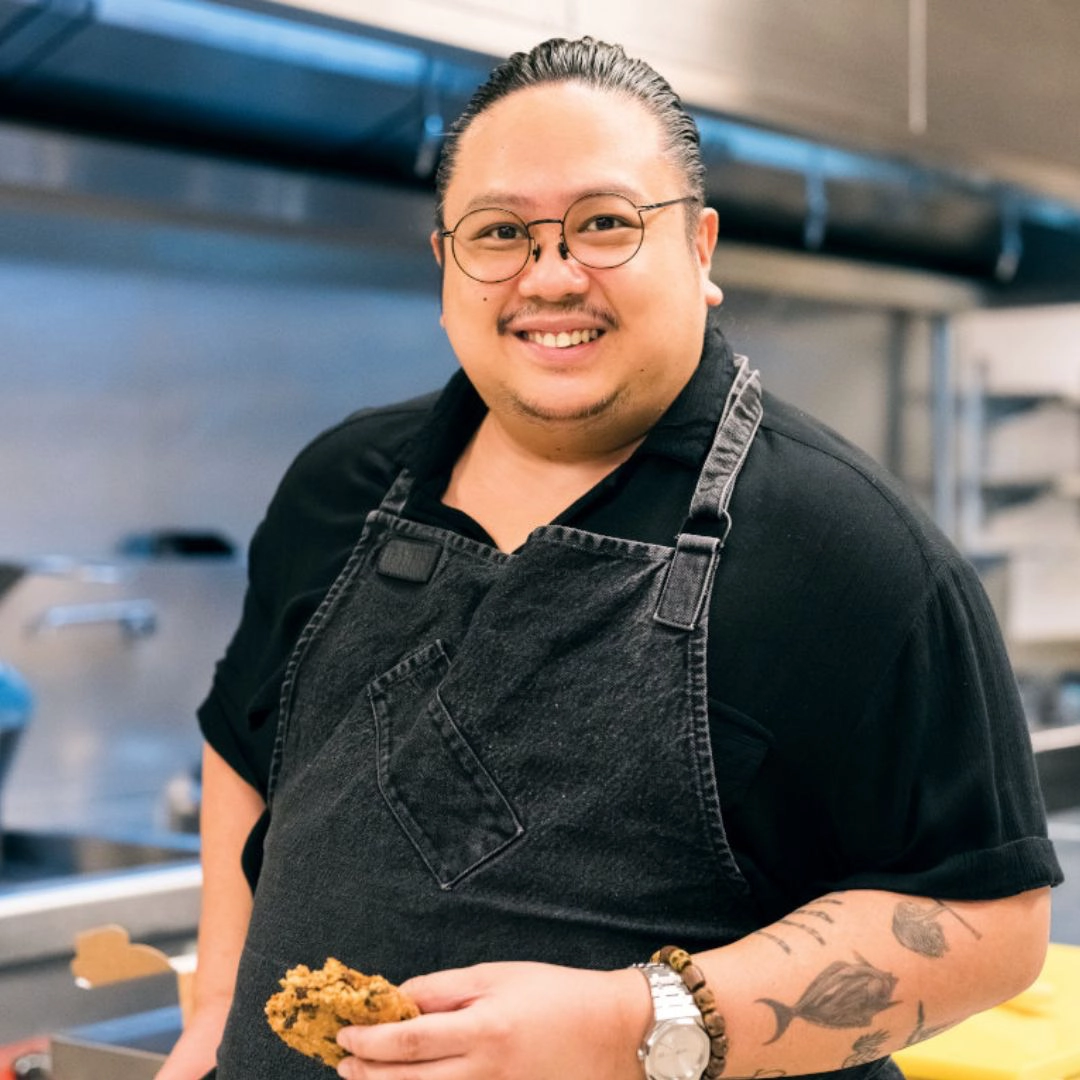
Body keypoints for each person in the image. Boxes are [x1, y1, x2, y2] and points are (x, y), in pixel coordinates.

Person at [157, 36, 1062, 1080]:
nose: (551, 275)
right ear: (445, 266)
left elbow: (990, 926)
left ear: (701, 249)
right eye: (501, 233)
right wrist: (217, 1008)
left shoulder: (850, 554)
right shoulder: (340, 484)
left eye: (603, 225)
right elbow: (243, 746)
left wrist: (632, 1023)